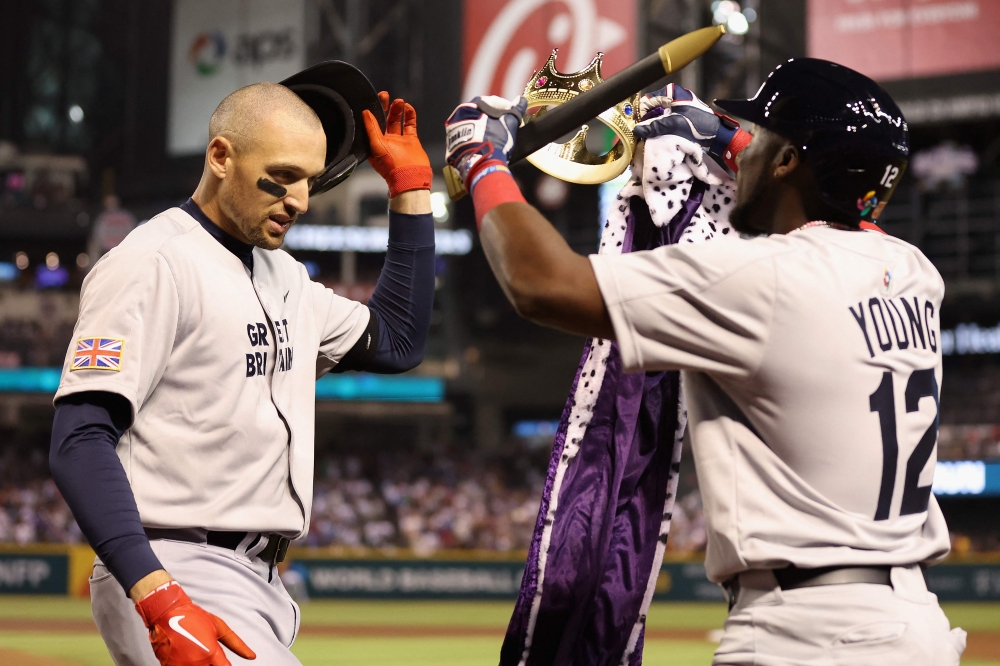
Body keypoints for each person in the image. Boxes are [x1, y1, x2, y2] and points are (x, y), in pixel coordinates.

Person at [445, 58, 966, 665]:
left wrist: (481, 157)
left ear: (788, 161)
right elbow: (828, 194)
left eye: (759, 141)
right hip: (913, 623)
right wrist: (722, 133)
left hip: (811, 633)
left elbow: (539, 285)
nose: (740, 155)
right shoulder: (912, 271)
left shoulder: (760, 278)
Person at [50, 75, 436, 666]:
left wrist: (410, 191)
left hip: (258, 583)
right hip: (177, 568)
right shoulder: (152, 262)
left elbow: (398, 342)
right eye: (282, 177)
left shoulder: (285, 277)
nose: (300, 200)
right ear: (221, 156)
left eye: (309, 180)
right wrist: (157, 597)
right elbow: (79, 438)